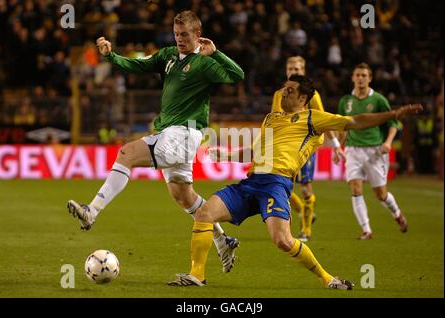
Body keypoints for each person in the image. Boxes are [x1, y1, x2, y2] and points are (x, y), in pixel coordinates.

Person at [167, 75, 422, 287]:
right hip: (251, 182)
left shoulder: (313, 118)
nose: (283, 93)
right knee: (204, 213)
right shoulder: (271, 118)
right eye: (283, 89)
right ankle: (197, 275)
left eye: (289, 91)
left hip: (277, 184)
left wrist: (394, 114)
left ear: (302, 98)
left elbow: (355, 121)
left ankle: (328, 278)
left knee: (283, 241)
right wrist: (228, 155)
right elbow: (259, 152)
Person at [67, 11, 245, 273]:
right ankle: (222, 240)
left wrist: (216, 53)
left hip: (184, 133)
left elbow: (238, 75)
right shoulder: (168, 56)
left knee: (126, 153)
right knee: (183, 196)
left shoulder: (205, 64)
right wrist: (110, 56)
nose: (180, 39)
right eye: (176, 34)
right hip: (171, 133)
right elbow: (138, 66)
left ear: (198, 34)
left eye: (185, 35)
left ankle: (92, 211)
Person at [271, 56, 343, 242]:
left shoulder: (312, 95)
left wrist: (335, 145)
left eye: (297, 68)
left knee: (305, 188)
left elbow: (324, 120)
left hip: (304, 147)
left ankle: (306, 230)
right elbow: (274, 120)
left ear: (302, 71)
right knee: (277, 185)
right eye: (290, 68)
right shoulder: (279, 94)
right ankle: (304, 210)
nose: (293, 71)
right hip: (283, 148)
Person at [333, 63, 408, 240]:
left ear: (370, 78)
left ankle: (397, 213)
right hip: (352, 150)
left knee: (381, 195)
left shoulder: (379, 100)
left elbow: (393, 123)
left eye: (364, 75)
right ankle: (367, 230)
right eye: (357, 75)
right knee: (355, 188)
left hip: (375, 151)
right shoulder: (345, 101)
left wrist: (388, 142)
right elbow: (342, 127)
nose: (360, 78)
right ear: (352, 77)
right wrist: (338, 148)